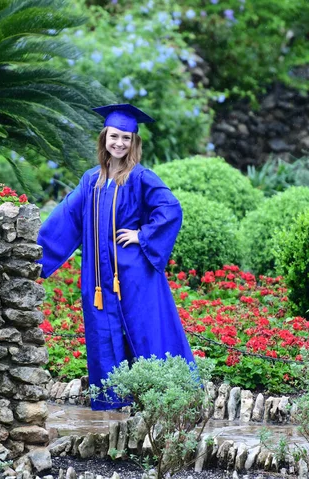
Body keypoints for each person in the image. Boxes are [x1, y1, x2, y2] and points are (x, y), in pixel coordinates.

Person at [37, 104, 195, 410]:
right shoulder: (90, 180)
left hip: (134, 274)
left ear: (133, 142)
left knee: (146, 331)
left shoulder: (140, 177)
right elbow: (65, 218)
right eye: (114, 136)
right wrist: (35, 258)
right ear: (104, 138)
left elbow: (171, 209)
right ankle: (112, 403)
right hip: (98, 278)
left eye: (125, 137)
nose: (119, 143)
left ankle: (163, 400)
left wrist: (142, 235)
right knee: (103, 333)